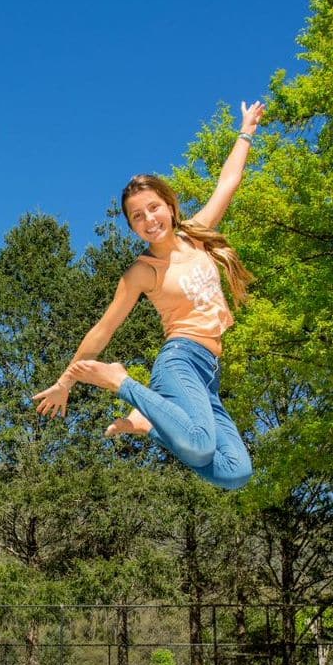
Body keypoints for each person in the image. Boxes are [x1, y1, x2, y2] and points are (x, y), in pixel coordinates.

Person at [32, 100, 264, 490]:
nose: (148, 220)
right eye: (137, 217)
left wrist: (246, 132)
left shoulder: (198, 235)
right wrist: (67, 380)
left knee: (235, 474)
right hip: (180, 361)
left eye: (153, 208)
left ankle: (149, 423)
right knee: (201, 446)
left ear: (170, 207)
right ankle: (123, 383)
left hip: (208, 372)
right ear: (132, 226)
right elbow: (103, 330)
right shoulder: (143, 271)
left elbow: (229, 182)